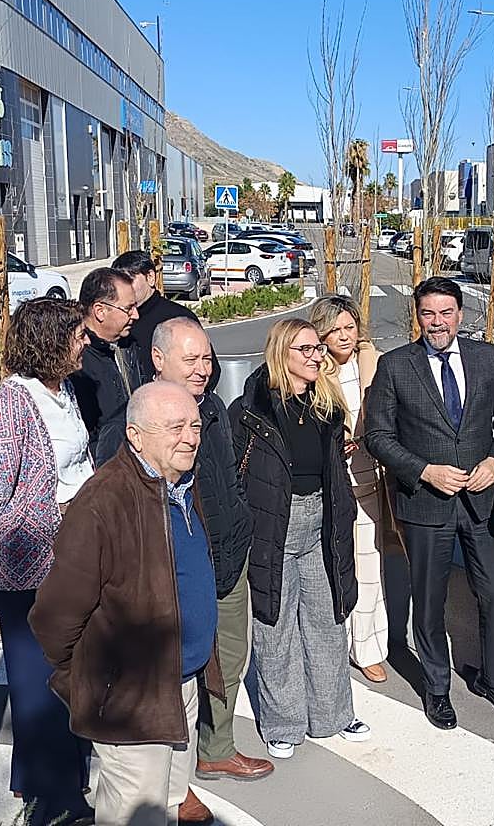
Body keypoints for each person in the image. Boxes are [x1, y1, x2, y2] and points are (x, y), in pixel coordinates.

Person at [30, 382, 222, 826]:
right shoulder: (103, 502)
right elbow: (55, 613)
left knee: (167, 805)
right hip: (132, 697)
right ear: (136, 436)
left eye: (194, 425)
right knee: (136, 813)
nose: (191, 437)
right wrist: (90, 678)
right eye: (175, 427)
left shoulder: (178, 483)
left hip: (182, 681)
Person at [365, 276, 494, 730]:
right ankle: (437, 689)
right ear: (417, 315)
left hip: (480, 500)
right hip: (425, 503)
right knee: (430, 601)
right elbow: (377, 436)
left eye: (446, 313)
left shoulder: (487, 357)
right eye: (428, 314)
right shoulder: (397, 366)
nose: (437, 323)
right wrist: (423, 471)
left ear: (460, 314)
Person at [0, 298, 92, 825]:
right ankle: (55, 796)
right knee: (38, 676)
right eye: (78, 334)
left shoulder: (62, 393)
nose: (86, 340)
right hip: (25, 562)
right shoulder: (12, 404)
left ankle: (36, 775)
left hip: (70, 551)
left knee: (61, 669)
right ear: (50, 342)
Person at [149, 318, 273, 820]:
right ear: (159, 361)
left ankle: (216, 749)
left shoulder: (215, 409)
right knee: (177, 675)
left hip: (229, 557)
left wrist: (240, 523)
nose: (203, 370)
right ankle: (169, 783)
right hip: (181, 573)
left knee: (230, 658)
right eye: (190, 360)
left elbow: (228, 479)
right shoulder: (144, 422)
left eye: (206, 359)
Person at [228, 318, 370, 760]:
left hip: (321, 518)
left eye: (317, 349)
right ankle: (284, 724)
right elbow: (234, 473)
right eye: (305, 349)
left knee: (328, 619)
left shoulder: (325, 403)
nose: (316, 356)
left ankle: (333, 714)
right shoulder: (251, 409)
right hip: (274, 522)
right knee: (276, 624)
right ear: (282, 353)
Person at [311, 295, 391, 683]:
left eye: (349, 327)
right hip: (330, 484)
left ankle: (368, 647)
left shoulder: (372, 363)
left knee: (370, 567)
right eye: (335, 329)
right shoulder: (314, 370)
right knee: (332, 568)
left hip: (370, 481)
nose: (344, 336)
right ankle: (334, 645)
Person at [111, 249, 220, 388]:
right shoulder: (118, 320)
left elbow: (211, 373)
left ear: (150, 277)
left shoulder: (179, 318)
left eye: (129, 280)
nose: (123, 288)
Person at [71, 267, 142, 463]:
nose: (135, 315)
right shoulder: (77, 362)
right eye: (128, 308)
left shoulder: (129, 344)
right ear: (100, 311)